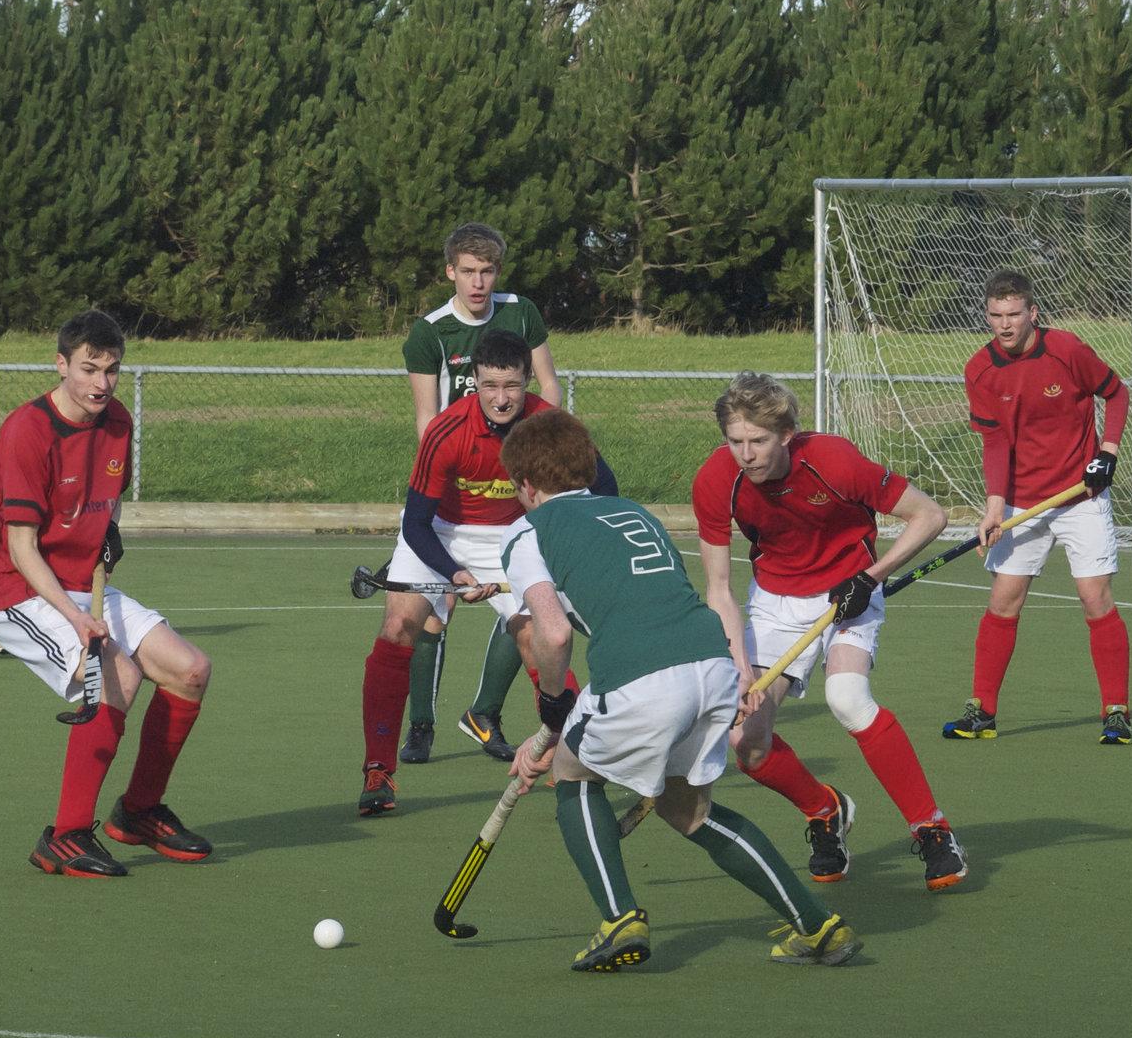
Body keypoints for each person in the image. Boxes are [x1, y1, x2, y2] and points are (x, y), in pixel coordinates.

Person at [502, 409, 861, 970]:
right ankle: (818, 926)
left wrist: (552, 714)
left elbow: (552, 631)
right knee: (688, 810)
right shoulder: (631, 510)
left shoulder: (528, 530)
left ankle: (619, 919)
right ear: (589, 465)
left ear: (524, 485)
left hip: (643, 674)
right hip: (711, 665)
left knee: (572, 776)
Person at [692, 372, 968, 892]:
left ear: (787, 434)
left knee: (847, 697)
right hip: (773, 606)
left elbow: (929, 515)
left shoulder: (834, 459)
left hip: (849, 594)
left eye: (758, 441)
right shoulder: (715, 480)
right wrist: (738, 668)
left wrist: (870, 579)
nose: (746, 455)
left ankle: (932, 829)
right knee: (746, 743)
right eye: (736, 442)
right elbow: (720, 590)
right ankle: (824, 809)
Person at [0, 310, 215, 877]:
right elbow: (21, 548)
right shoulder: (25, 432)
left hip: (85, 585)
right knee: (121, 677)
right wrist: (77, 618)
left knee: (191, 669)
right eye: (88, 369)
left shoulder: (118, 423)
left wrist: (108, 533)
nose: (100, 384)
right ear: (60, 365)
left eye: (111, 371)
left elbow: (102, 500)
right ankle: (62, 835)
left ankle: (137, 813)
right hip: (19, 593)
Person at [359, 329, 610, 816]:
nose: (501, 398)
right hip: (441, 532)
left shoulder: (551, 424)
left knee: (539, 635)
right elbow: (415, 522)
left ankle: (581, 759)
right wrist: (454, 575)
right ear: (473, 380)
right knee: (397, 627)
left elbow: (605, 487)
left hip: (516, 532)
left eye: (512, 386)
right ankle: (378, 770)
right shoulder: (446, 430)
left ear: (525, 381)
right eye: (490, 385)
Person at [396, 222, 563, 764]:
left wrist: (551, 456)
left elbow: (548, 388)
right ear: (450, 271)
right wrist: (468, 462)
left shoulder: (521, 311)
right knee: (427, 616)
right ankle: (421, 725)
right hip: (452, 488)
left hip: (516, 492)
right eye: (467, 271)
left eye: (487, 271)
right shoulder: (429, 333)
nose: (478, 282)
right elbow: (428, 419)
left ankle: (483, 713)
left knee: (526, 613)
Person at [945, 269, 1132, 745]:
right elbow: (994, 442)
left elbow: (1116, 392)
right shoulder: (979, 370)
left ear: (1033, 313)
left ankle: (1115, 711)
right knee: (1003, 601)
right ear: (986, 315)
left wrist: (1106, 454)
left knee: (1095, 598)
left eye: (1013, 315)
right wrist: (994, 510)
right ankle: (981, 713)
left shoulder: (1067, 350)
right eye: (995, 316)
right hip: (1020, 501)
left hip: (1080, 496)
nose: (1004, 324)